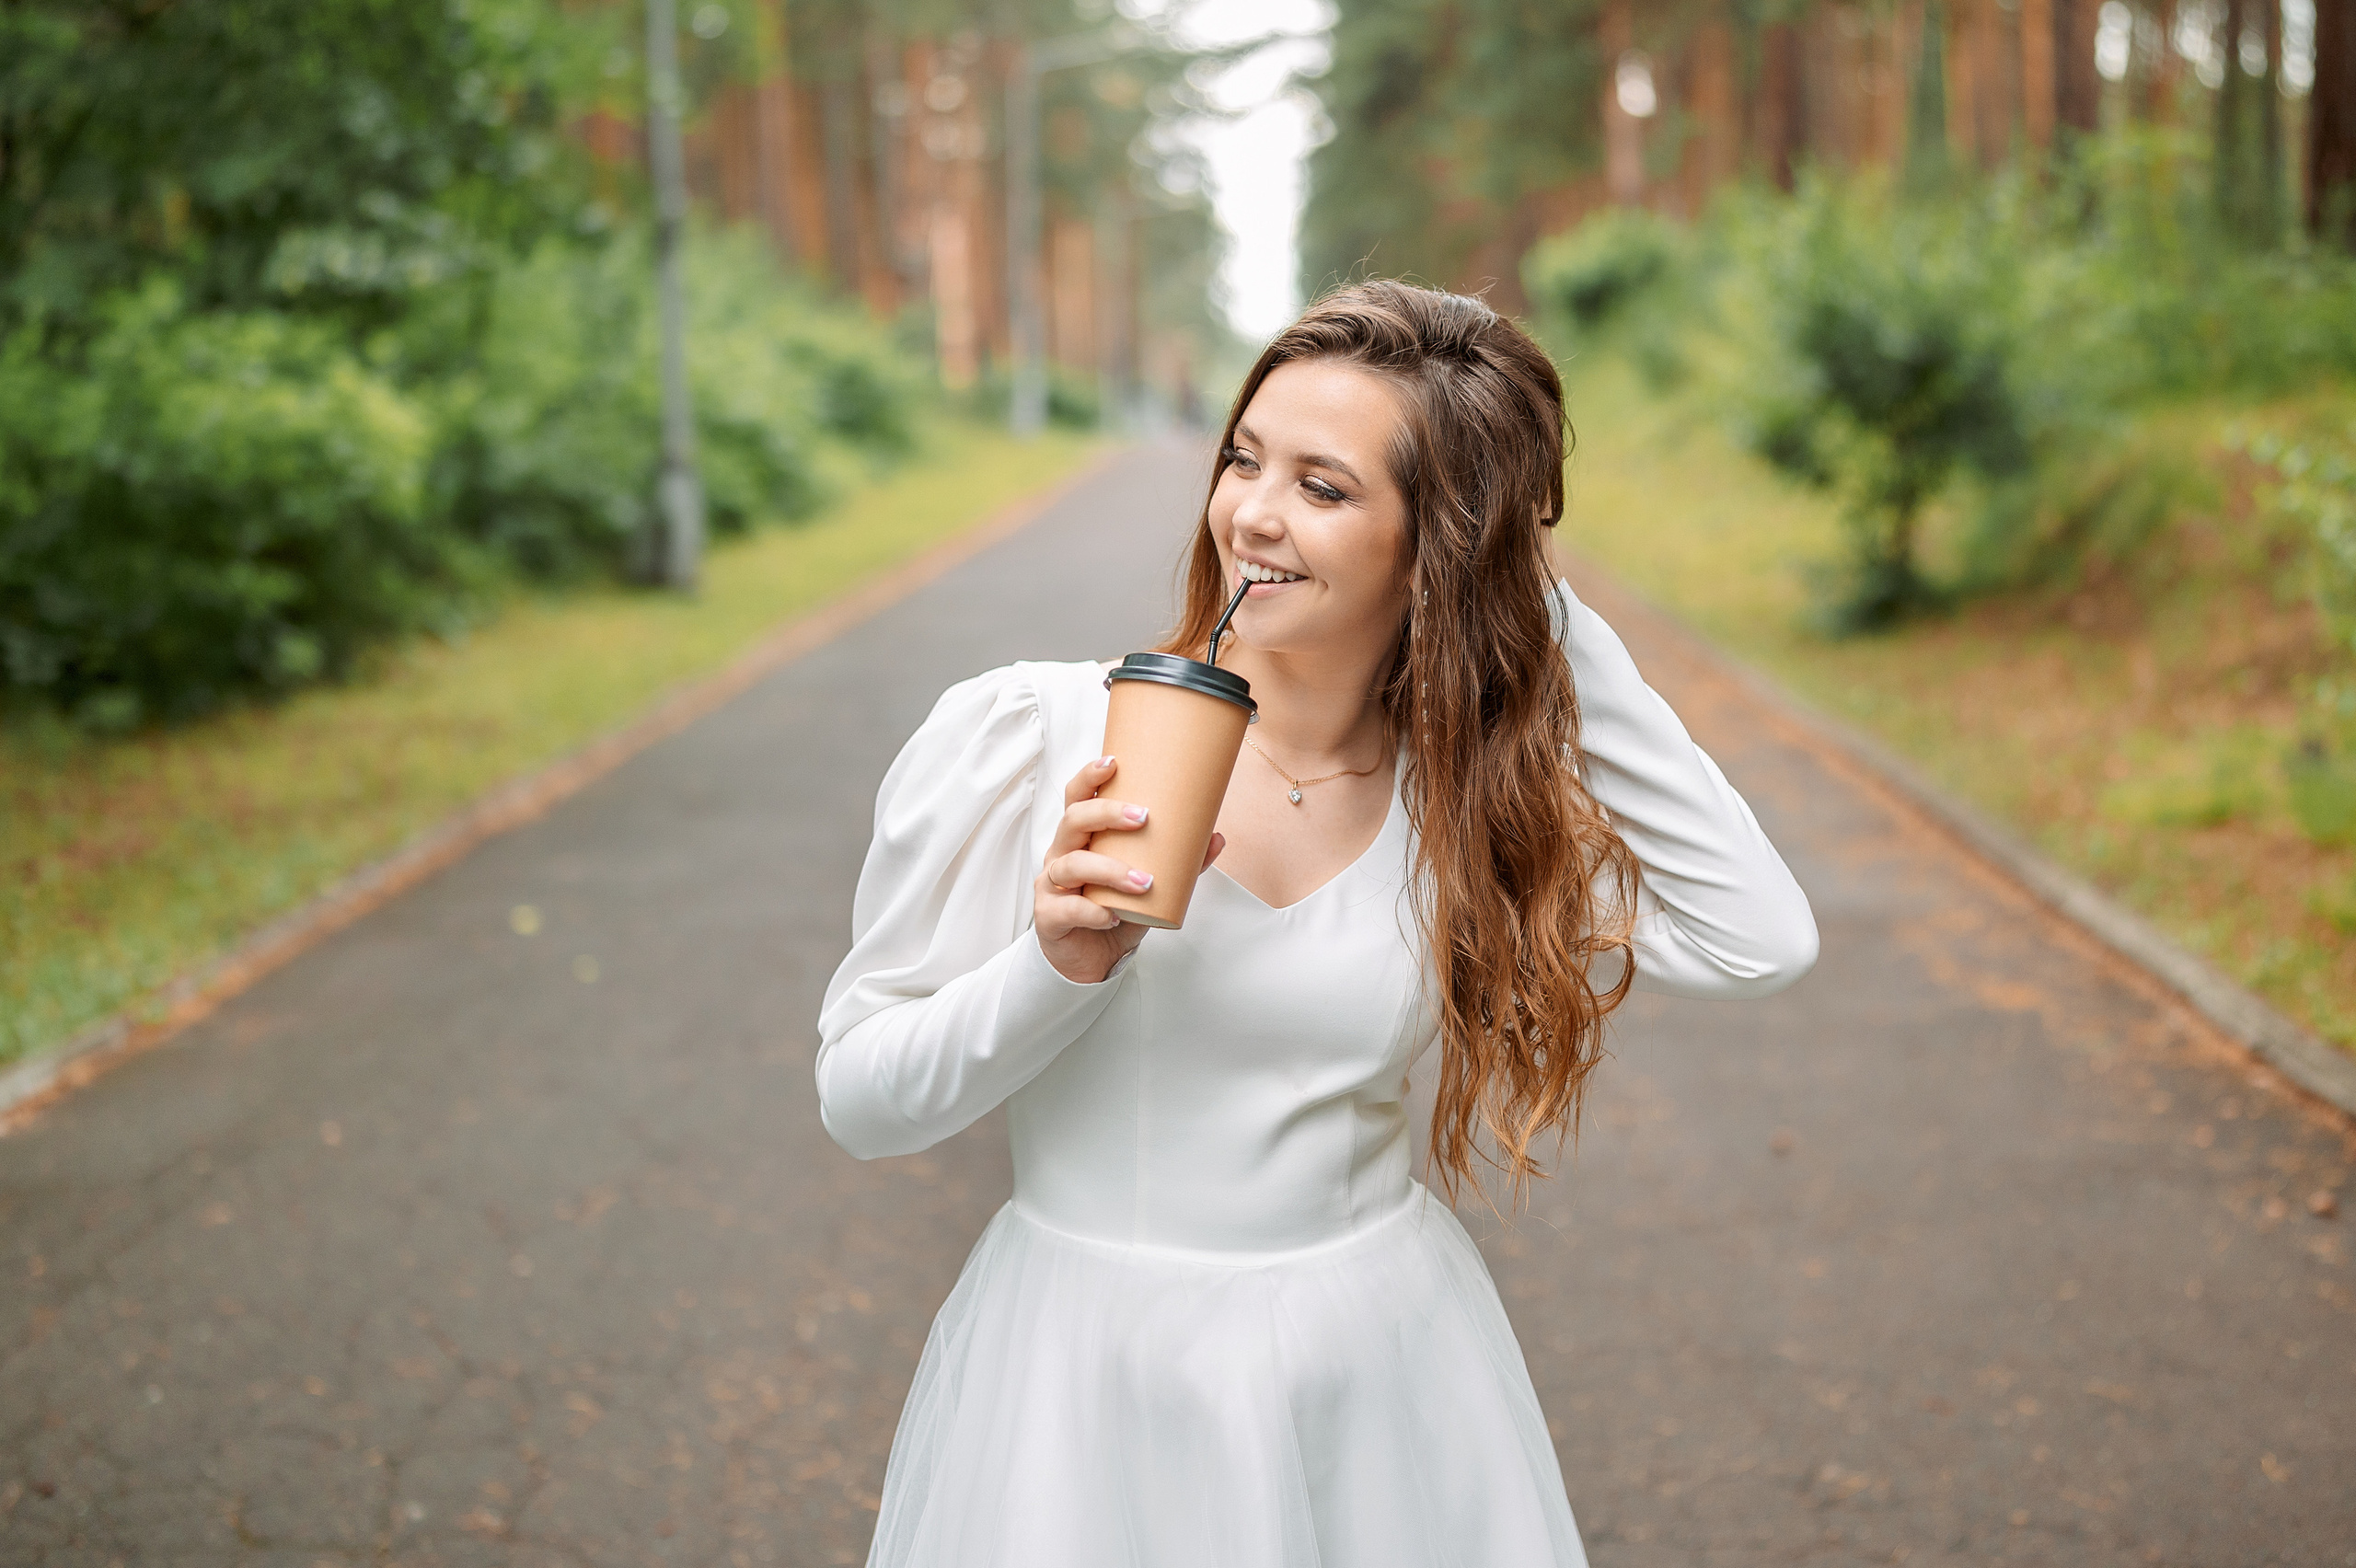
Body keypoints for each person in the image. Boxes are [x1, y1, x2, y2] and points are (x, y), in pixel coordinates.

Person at [816, 280, 1819, 1567]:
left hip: (1383, 1374)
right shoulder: (1035, 740)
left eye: (1324, 488)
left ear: (1437, 547)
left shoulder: (1461, 808)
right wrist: (1052, 968)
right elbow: (862, 1099)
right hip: (1087, 1382)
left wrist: (1546, 623)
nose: (1252, 515)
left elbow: (1760, 938)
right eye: (1244, 459)